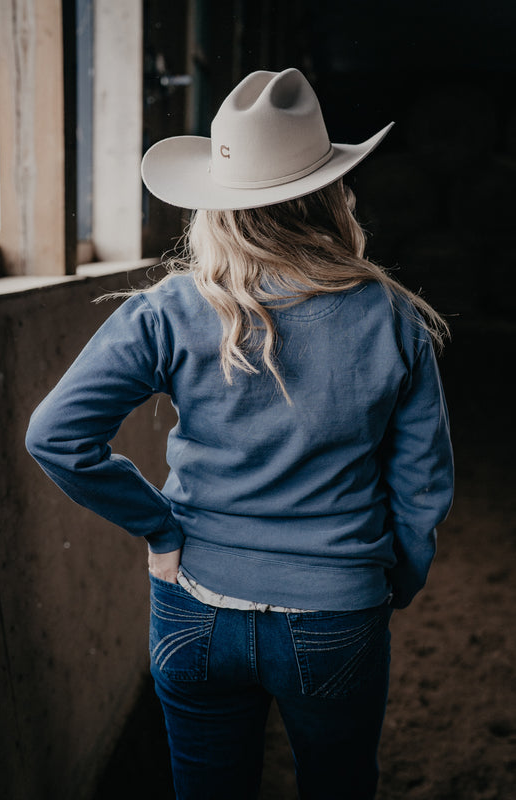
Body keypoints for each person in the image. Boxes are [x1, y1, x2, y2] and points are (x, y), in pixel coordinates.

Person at [26, 68, 454, 799]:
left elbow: (54, 435)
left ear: (216, 205)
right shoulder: (392, 316)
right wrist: (391, 582)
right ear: (330, 194)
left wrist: (159, 530)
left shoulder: (167, 310)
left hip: (194, 601)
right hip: (336, 611)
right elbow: (420, 487)